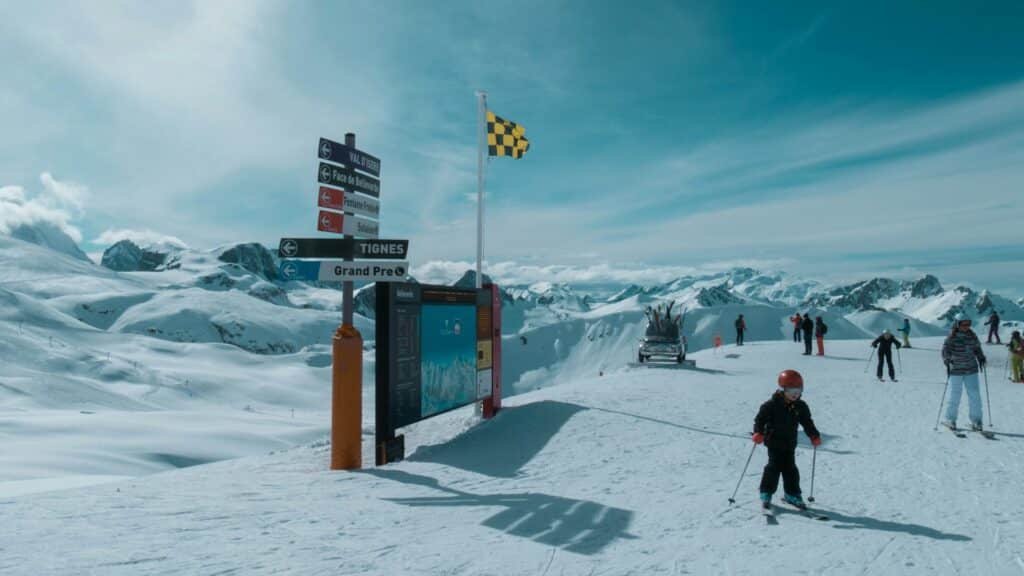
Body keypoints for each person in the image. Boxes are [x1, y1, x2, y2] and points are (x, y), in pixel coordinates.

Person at [752, 369, 822, 510]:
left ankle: (792, 494)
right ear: (782, 389)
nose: (795, 395)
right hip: (774, 441)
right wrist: (758, 432)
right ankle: (766, 492)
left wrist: (813, 435)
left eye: (798, 391)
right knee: (774, 466)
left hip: (790, 442)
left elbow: (807, 422)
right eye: (791, 391)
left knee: (790, 468)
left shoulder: (800, 406)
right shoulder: (771, 405)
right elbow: (760, 420)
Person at [941, 314, 987, 431]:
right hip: (956, 370)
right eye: (964, 324)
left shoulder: (972, 336)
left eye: (969, 324)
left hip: (971, 369)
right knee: (955, 395)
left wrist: (981, 357)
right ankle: (950, 419)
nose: (967, 326)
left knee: (975, 395)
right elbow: (945, 351)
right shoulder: (951, 337)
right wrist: (947, 361)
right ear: (957, 324)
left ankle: (976, 421)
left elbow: (977, 348)